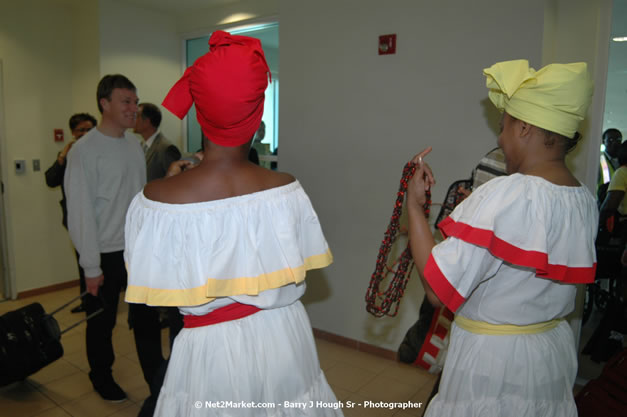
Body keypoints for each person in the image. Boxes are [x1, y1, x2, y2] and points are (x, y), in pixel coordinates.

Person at [124, 31, 342, 417]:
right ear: (258, 113)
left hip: (210, 352)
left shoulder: (155, 201)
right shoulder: (287, 190)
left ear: (199, 110)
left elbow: (154, 281)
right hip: (285, 339)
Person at [406, 59, 597, 416]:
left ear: (524, 128)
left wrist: (414, 209)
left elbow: (437, 289)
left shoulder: (506, 194)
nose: (499, 137)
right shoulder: (583, 199)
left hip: (495, 362)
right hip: (548, 353)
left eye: (504, 126)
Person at [64, 74, 146, 402]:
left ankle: (157, 375)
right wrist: (90, 266)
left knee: (144, 318)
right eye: (126, 101)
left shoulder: (134, 146)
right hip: (103, 253)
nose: (133, 108)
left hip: (136, 250)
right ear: (105, 104)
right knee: (102, 322)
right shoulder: (84, 151)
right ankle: (101, 375)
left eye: (135, 102)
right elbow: (80, 213)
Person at [132, 102, 183, 416]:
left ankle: (161, 394)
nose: (133, 117)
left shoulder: (166, 149)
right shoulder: (139, 147)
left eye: (136, 112)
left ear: (148, 120)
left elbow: (171, 193)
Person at [45, 112, 97, 313]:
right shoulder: (68, 154)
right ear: (73, 133)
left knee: (100, 263)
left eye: (89, 129)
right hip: (75, 218)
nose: (85, 133)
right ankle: (87, 301)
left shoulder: (99, 151)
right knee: (83, 262)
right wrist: (62, 156)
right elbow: (50, 180)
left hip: (99, 217)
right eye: (80, 130)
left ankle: (100, 300)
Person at [134, 102, 182, 180]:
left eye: (136, 116)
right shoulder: (141, 145)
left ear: (147, 121)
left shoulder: (166, 148)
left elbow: (175, 181)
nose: (133, 119)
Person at [598, 128, 622, 200]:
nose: (614, 143)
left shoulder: (623, 161)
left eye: (618, 140)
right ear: (603, 142)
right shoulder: (599, 161)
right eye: (610, 140)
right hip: (602, 203)